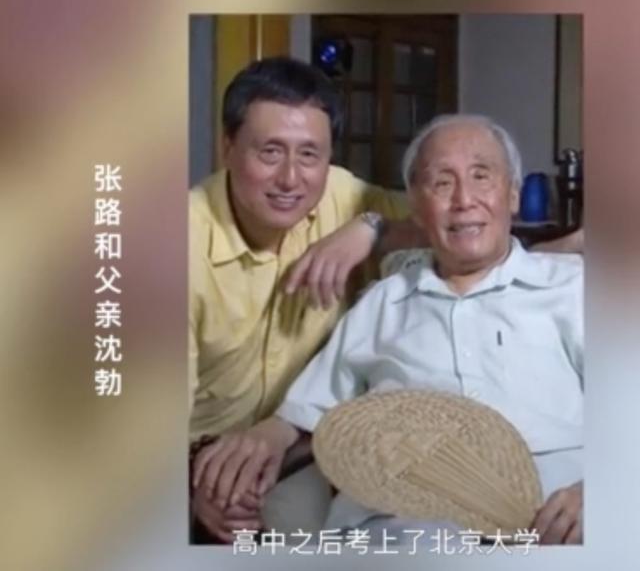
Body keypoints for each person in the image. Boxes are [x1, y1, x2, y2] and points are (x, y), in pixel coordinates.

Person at [194, 114, 584, 545]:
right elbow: (306, 411)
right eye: (442, 183)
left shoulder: (574, 289)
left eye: (481, 176)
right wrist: (247, 453)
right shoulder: (383, 303)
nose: (464, 200)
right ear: (415, 207)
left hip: (552, 523)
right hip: (406, 529)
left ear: (512, 194)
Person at [189, 56, 431, 542]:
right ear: (227, 147)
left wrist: (371, 228)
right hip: (197, 453)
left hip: (300, 442)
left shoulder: (341, 195)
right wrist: (191, 487)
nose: (290, 179)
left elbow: (445, 225)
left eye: (309, 155)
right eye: (270, 152)